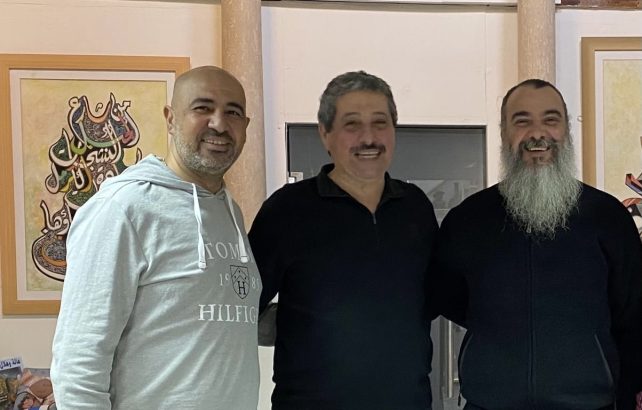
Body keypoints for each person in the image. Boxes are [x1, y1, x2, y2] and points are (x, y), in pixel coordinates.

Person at [51, 66, 261, 409]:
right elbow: (78, 365)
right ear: (170, 118)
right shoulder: (123, 208)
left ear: (246, 126)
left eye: (233, 112)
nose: (219, 124)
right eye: (203, 107)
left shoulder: (229, 212)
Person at [433, 78, 642, 410]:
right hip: (490, 404)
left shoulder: (608, 217)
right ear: (504, 133)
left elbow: (633, 317)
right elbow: (448, 298)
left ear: (566, 131)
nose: (537, 133)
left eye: (550, 119)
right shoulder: (467, 220)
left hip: (589, 405)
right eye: (522, 121)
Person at [249, 70, 439, 409]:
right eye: (352, 124)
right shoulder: (287, 210)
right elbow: (243, 309)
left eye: (380, 123)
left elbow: (435, 298)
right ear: (325, 134)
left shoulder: (415, 208)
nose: (369, 138)